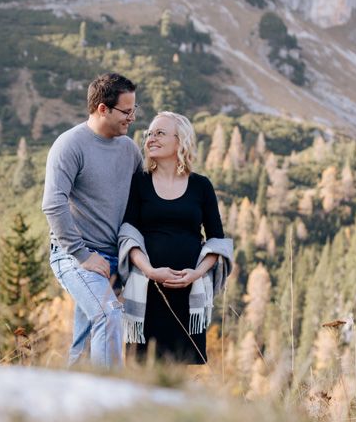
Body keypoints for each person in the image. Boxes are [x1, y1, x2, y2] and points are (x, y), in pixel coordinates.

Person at [42, 72, 144, 367]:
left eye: (134, 110)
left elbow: (141, 202)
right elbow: (52, 204)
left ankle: (72, 405)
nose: (132, 118)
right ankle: (112, 398)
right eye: (126, 111)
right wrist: (82, 255)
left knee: (85, 343)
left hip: (115, 260)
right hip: (74, 257)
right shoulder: (70, 145)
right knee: (108, 314)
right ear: (103, 109)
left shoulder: (129, 149)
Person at [118, 112, 233, 364]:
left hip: (188, 291)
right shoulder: (140, 183)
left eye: (159, 133)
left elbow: (217, 242)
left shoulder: (201, 186)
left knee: (183, 367)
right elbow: (128, 236)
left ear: (180, 140)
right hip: (147, 290)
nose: (150, 138)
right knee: (142, 366)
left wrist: (196, 273)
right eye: (149, 133)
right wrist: (150, 271)